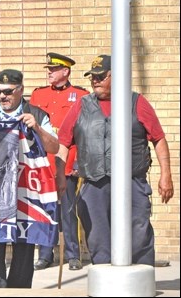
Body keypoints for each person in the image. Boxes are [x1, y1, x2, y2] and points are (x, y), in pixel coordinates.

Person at [55, 55, 174, 266]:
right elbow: (63, 142)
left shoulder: (136, 102)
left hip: (132, 181)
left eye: (101, 76)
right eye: (92, 77)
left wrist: (166, 175)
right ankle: (105, 282)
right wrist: (60, 177)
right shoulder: (81, 105)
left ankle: (140, 278)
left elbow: (158, 138)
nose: (95, 81)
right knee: (97, 237)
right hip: (93, 183)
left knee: (138, 231)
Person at [0, 69, 59, 288]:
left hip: (26, 192)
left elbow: (54, 146)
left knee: (23, 250)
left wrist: (37, 128)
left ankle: (19, 292)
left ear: (21, 90)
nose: (2, 96)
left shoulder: (37, 114)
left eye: (8, 92)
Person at [30, 52, 89, 271]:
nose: (49, 72)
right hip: (43, 163)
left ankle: (73, 255)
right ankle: (45, 254)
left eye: (53, 69)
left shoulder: (81, 95)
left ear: (66, 71)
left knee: (68, 211)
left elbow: (83, 133)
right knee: (45, 209)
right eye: (48, 69)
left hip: (67, 161)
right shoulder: (38, 95)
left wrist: (78, 163)